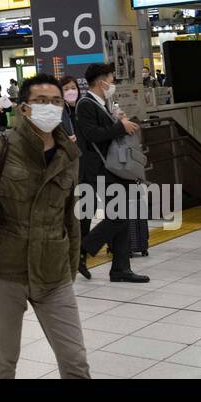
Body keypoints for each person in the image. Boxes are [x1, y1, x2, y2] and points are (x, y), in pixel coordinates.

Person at [0, 74, 90, 379]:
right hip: (6, 272)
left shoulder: (69, 155)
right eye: (41, 102)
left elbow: (70, 215)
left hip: (54, 273)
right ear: (24, 108)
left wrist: (71, 264)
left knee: (75, 362)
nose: (50, 108)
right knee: (3, 364)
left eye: (56, 102)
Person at [75, 62, 148, 284]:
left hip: (113, 167)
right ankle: (82, 250)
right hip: (100, 168)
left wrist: (119, 120)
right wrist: (120, 127)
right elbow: (92, 134)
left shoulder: (103, 103)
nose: (113, 83)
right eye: (111, 78)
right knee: (120, 215)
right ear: (100, 81)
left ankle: (120, 269)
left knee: (122, 216)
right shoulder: (85, 104)